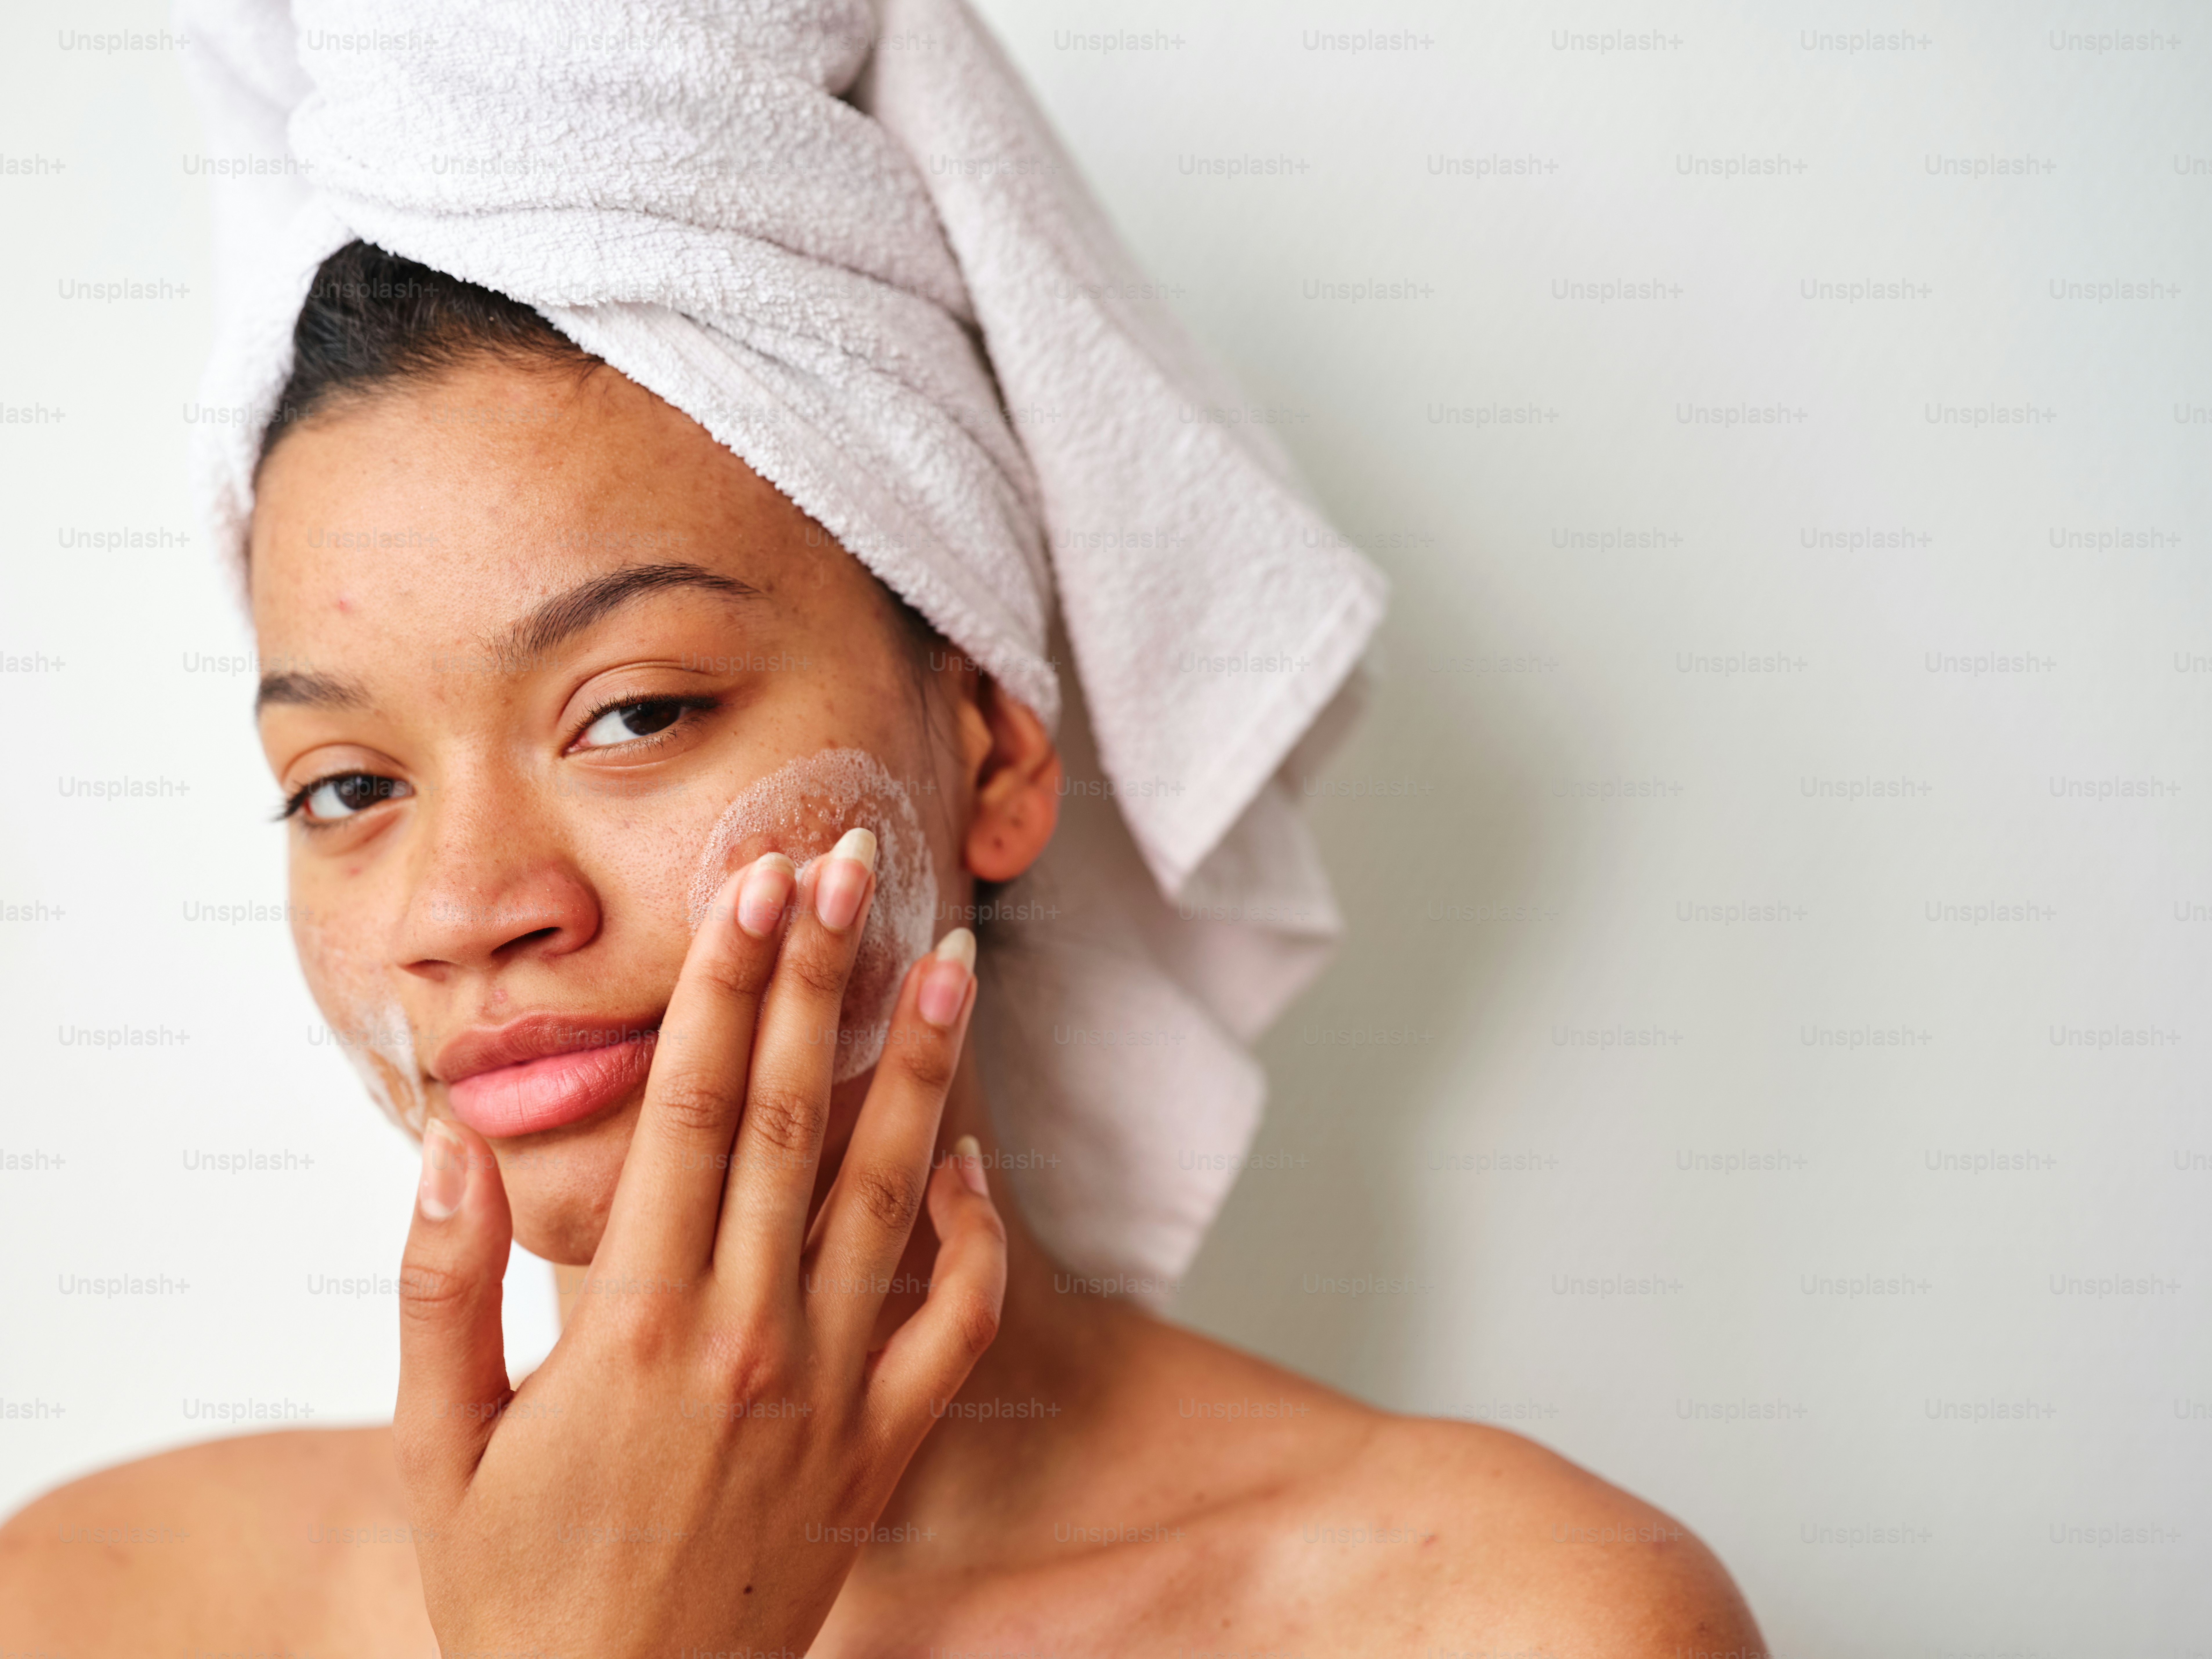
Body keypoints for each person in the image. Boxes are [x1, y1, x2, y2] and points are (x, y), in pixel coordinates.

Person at [1, 2, 1764, 1651]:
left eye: (634, 713)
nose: (464, 908)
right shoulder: (105, 1598)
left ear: (994, 744)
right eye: (350, 788)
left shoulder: (1506, 1615)